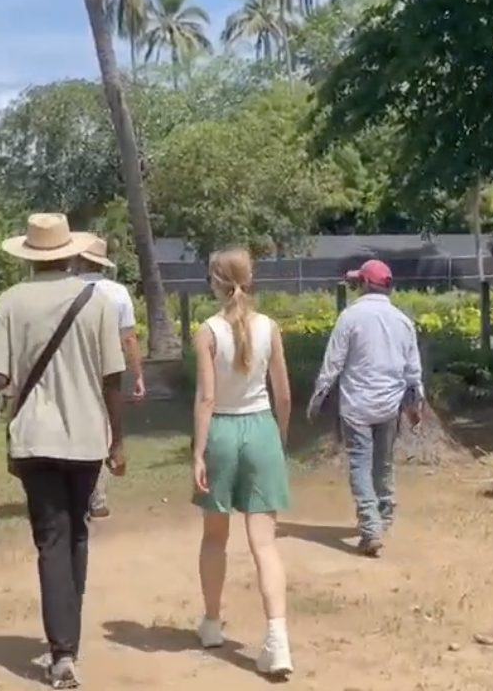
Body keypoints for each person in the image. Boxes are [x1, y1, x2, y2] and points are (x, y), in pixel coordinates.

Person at [0, 213, 127, 689]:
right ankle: (70, 633)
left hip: (32, 439)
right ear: (70, 252)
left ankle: (62, 651)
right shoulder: (98, 302)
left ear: (29, 255)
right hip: (86, 436)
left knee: (51, 539)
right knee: (78, 533)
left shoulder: (8, 303)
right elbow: (113, 378)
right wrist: (119, 439)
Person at [191, 248, 295, 678]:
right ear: (250, 279)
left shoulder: (208, 330)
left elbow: (207, 397)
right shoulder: (269, 327)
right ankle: (278, 638)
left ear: (215, 282)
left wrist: (197, 450)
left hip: (222, 430)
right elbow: (283, 394)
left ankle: (212, 622)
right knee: (265, 543)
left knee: (215, 537)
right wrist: (279, 438)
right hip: (260, 428)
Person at [307, 259, 425, 558]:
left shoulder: (350, 317)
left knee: (360, 464)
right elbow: (413, 371)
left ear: (363, 284)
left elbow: (332, 363)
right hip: (389, 405)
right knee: (383, 463)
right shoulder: (402, 321)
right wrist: (415, 405)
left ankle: (370, 527)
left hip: (357, 406)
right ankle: (383, 515)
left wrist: (318, 397)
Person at [73, 236, 145, 519]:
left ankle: (77, 492)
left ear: (79, 259)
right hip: (109, 368)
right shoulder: (117, 293)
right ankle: (98, 497)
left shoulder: (67, 290)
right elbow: (128, 338)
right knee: (103, 426)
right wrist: (137, 374)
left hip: (76, 366)